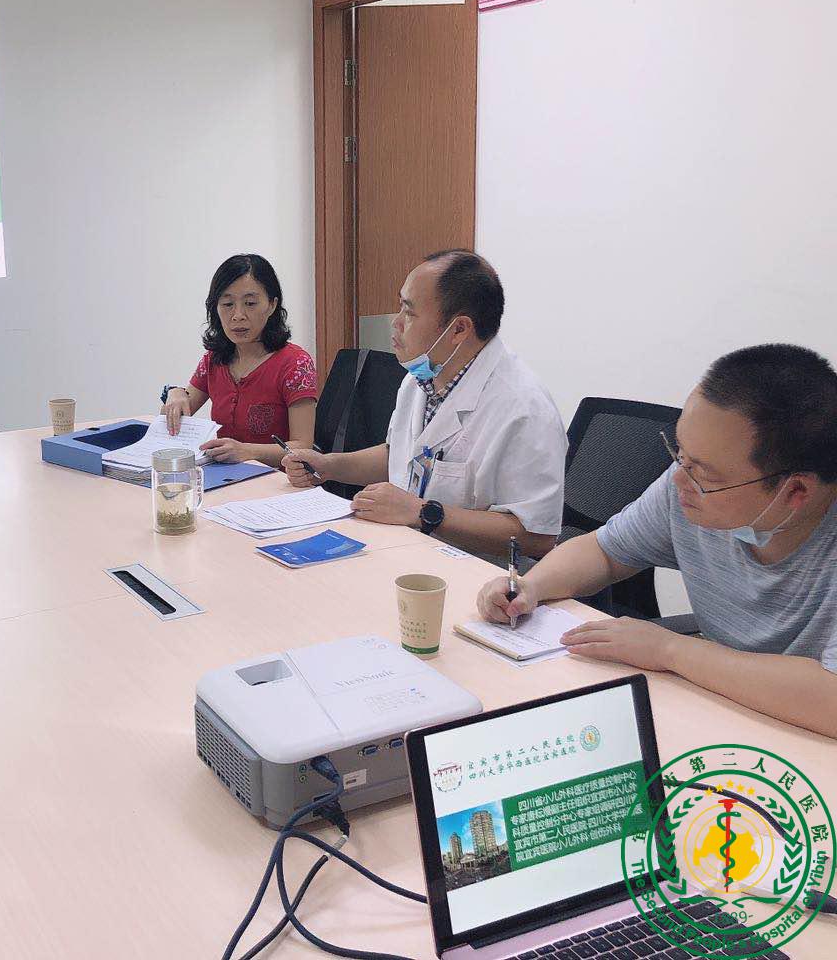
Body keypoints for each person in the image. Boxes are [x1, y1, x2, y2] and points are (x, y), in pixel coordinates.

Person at [478, 344, 837, 738]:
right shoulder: (687, 485)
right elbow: (605, 552)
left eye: (705, 473)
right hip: (722, 707)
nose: (679, 477)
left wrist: (670, 650)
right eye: (679, 453)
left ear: (795, 492)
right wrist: (530, 587)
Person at [282, 250, 566, 560]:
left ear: (459, 329)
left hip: (474, 572)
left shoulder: (524, 408)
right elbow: (400, 456)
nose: (396, 323)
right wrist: (329, 466)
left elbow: (536, 537)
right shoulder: (423, 375)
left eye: (409, 312)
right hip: (406, 550)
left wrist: (422, 512)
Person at [161, 254, 317, 468]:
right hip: (224, 477)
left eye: (250, 303)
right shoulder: (214, 359)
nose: (238, 315)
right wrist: (176, 394)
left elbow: (303, 446)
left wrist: (248, 451)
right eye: (227, 304)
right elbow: (175, 419)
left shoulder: (296, 364)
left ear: (272, 305)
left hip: (278, 479)